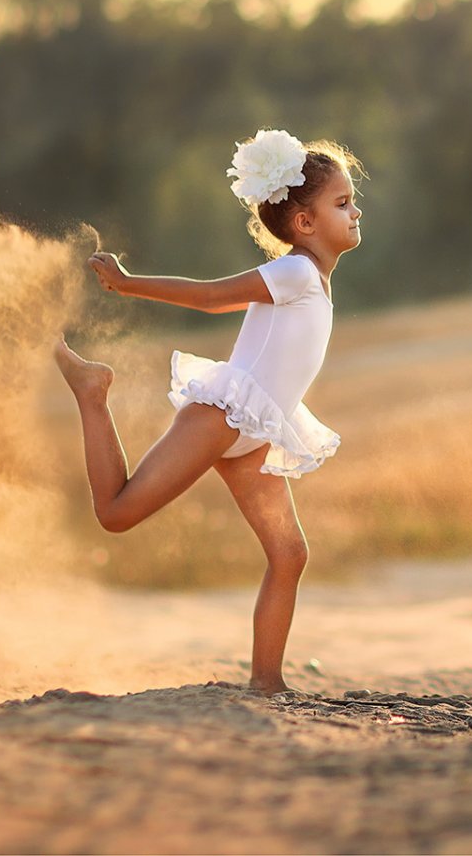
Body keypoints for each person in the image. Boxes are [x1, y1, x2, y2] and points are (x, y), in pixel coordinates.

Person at [52, 128, 364, 695]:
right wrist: (126, 284)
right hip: (224, 415)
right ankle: (92, 392)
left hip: (257, 431)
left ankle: (267, 684)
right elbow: (211, 296)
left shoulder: (311, 278)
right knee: (116, 514)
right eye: (342, 204)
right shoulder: (295, 272)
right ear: (305, 224)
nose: (355, 211)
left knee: (290, 554)